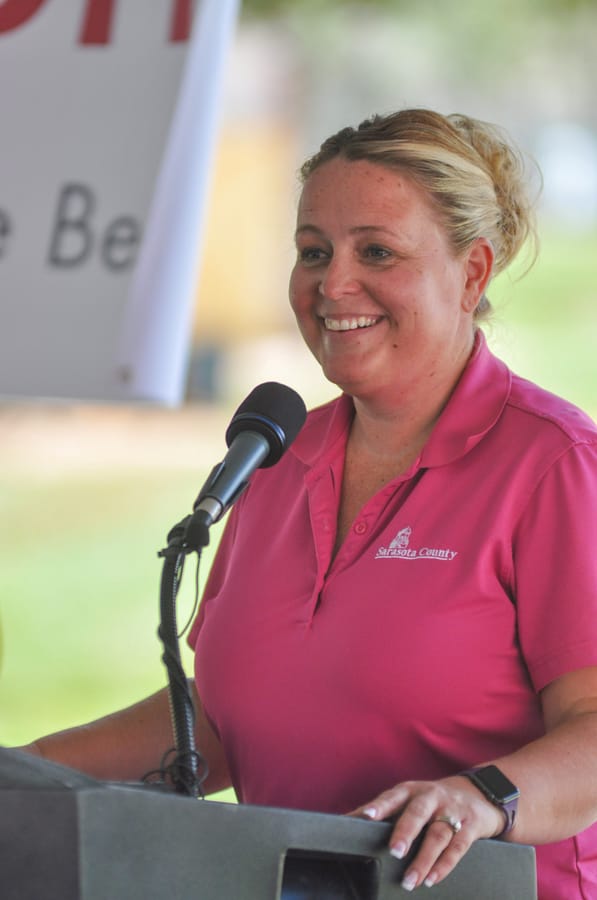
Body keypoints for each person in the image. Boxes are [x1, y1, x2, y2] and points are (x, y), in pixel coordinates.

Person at [17, 108, 597, 898]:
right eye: (313, 252)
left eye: (377, 251)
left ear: (471, 273)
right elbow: (222, 723)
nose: (333, 284)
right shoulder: (276, 455)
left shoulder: (550, 462)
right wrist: (30, 773)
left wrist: (481, 800)